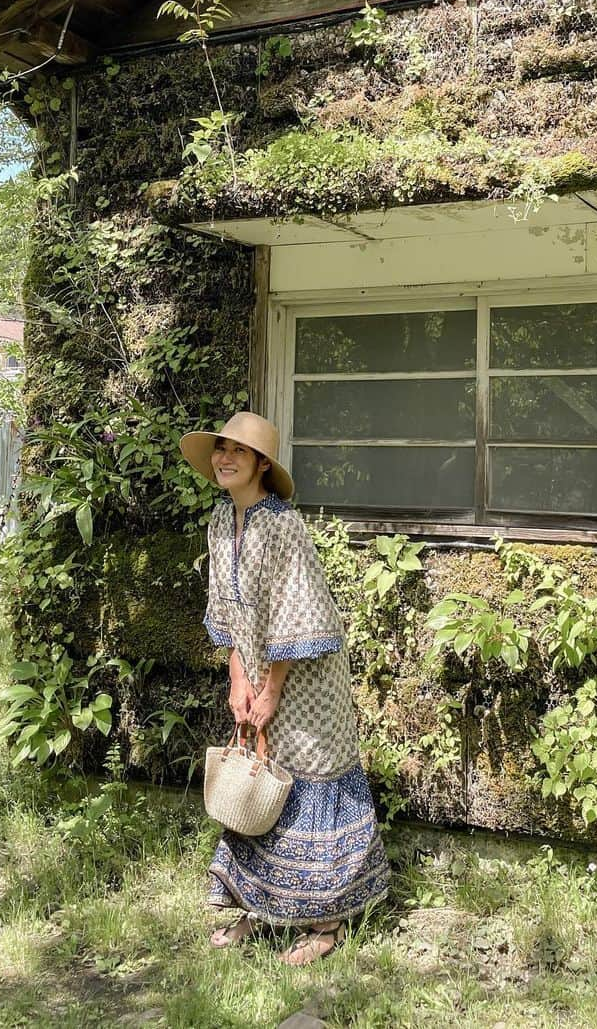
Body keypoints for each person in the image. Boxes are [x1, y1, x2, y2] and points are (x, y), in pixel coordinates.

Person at [179, 411, 390, 964]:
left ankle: (324, 921)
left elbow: (299, 617)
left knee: (305, 777)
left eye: (238, 452)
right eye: (220, 449)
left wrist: (269, 687)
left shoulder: (283, 524)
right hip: (254, 667)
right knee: (255, 779)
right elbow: (225, 613)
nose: (224, 458)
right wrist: (236, 678)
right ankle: (259, 905)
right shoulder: (222, 523)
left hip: (307, 678)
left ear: (261, 464)